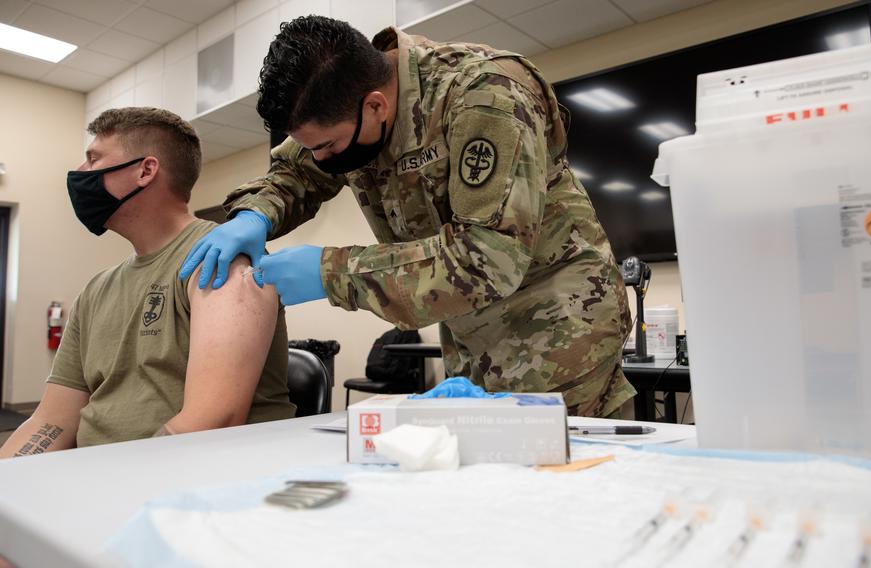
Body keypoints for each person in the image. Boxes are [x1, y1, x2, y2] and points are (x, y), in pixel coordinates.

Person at [179, 16, 634, 418]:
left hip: (560, 325)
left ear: (375, 105)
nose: (321, 158)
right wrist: (254, 214)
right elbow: (294, 174)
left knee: (560, 484)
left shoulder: (484, 94)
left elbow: (488, 257)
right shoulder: (341, 101)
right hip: (471, 330)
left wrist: (330, 273)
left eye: (330, 148)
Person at [0, 108, 295, 459]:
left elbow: (214, 419)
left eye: (93, 159)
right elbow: (51, 421)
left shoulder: (221, 256)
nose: (81, 172)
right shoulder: (96, 291)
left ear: (145, 171)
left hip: (192, 481)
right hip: (98, 479)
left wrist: (112, 486)